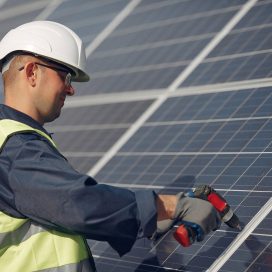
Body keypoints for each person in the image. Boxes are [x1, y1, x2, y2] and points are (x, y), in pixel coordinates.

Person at [0, 21, 220, 272]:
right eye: (65, 75)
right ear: (31, 72)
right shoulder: (14, 147)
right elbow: (76, 203)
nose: (70, 89)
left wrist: (150, 217)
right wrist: (171, 206)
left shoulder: (16, 141)